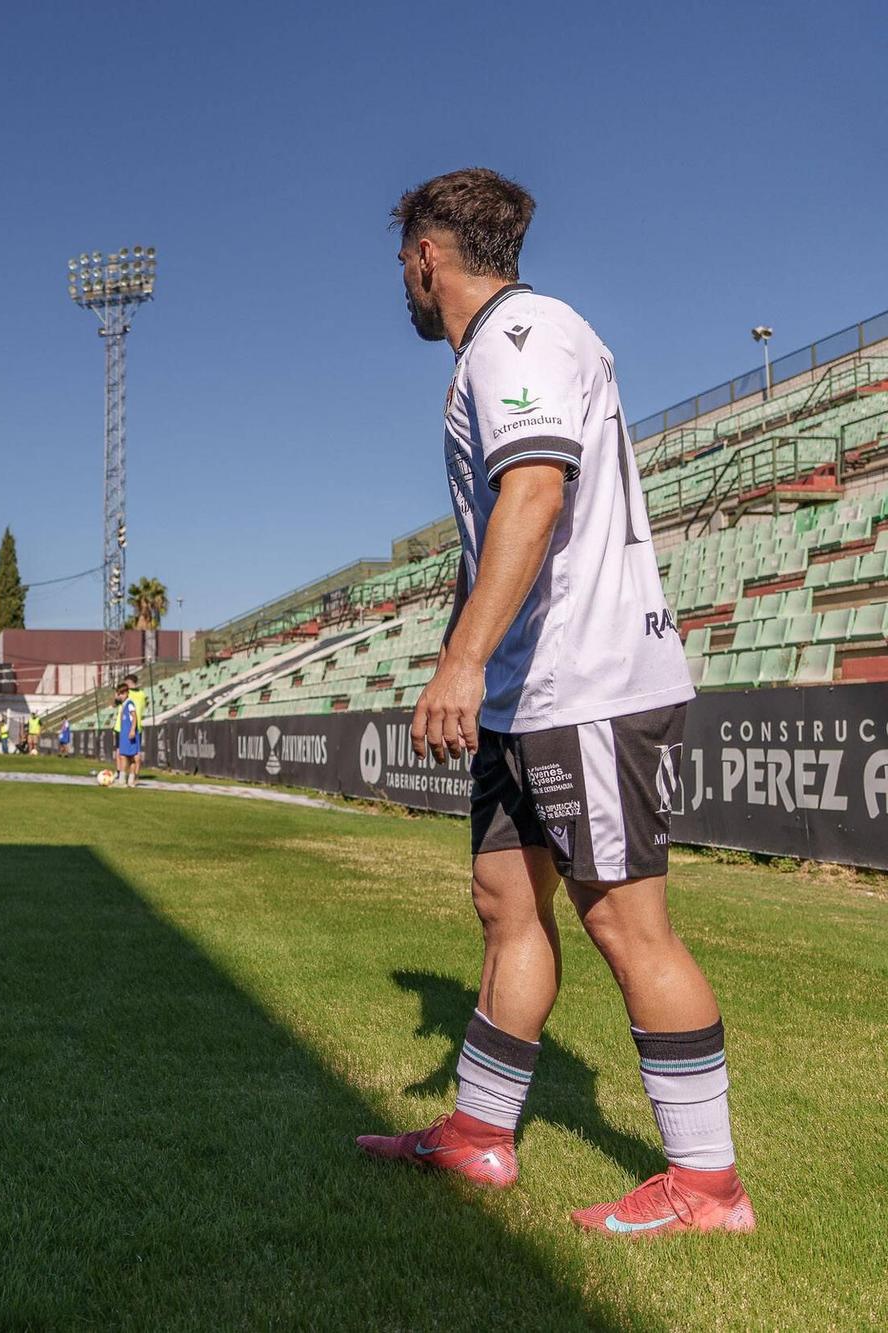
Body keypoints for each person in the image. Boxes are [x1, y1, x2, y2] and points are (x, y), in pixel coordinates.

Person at [355, 168, 750, 1238]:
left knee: (626, 922)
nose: (401, 275)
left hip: (584, 685)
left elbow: (534, 491)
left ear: (427, 254)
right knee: (503, 904)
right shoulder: (499, 350)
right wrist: (466, 656)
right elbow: (495, 528)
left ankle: (707, 1187)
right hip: (528, 692)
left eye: (401, 257)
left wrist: (458, 660)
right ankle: (479, 1134)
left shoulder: (522, 336)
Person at [112, 685, 141, 787]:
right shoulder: (123, 704)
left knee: (127, 756)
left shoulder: (129, 704)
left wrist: (132, 730)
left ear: (127, 693)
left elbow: (134, 717)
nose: (121, 695)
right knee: (125, 756)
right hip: (124, 733)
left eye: (123, 693)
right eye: (120, 693)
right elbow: (114, 702)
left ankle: (124, 780)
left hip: (129, 734)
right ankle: (128, 780)